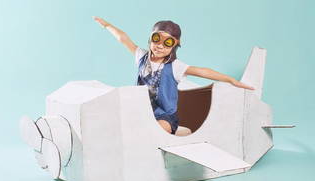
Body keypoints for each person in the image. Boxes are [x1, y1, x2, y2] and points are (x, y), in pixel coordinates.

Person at [92, 16, 254, 136]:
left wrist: (232, 80)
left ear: (174, 45)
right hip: (140, 110)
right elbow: (123, 38)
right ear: (150, 39)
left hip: (165, 116)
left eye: (167, 42)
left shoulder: (175, 67)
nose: (160, 46)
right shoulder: (141, 56)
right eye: (157, 39)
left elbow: (203, 71)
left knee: (155, 130)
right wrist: (106, 25)